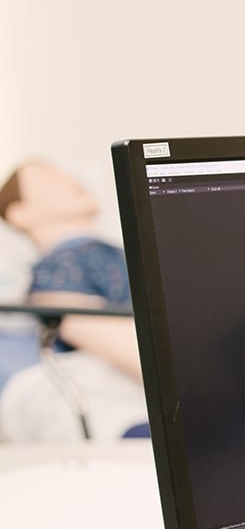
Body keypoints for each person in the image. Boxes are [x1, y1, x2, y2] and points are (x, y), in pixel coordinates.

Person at [0, 161, 144, 440]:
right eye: (47, 177)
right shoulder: (60, 269)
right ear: (20, 213)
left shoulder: (119, 255)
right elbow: (84, 326)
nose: (68, 179)